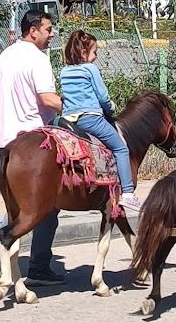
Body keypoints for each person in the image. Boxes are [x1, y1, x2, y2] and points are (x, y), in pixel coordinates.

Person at [0, 6, 64, 282]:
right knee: (47, 203)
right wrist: (73, 108)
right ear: (33, 31)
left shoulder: (6, 55)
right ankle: (36, 263)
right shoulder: (38, 59)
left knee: (17, 202)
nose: (52, 34)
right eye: (48, 29)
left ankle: (12, 248)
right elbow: (48, 99)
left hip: (7, 140)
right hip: (36, 139)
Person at [58, 30, 141, 217]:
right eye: (94, 52)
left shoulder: (64, 71)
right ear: (83, 52)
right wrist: (110, 108)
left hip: (70, 120)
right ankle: (128, 192)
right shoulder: (90, 69)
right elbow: (103, 96)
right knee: (121, 148)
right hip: (91, 118)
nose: (95, 57)